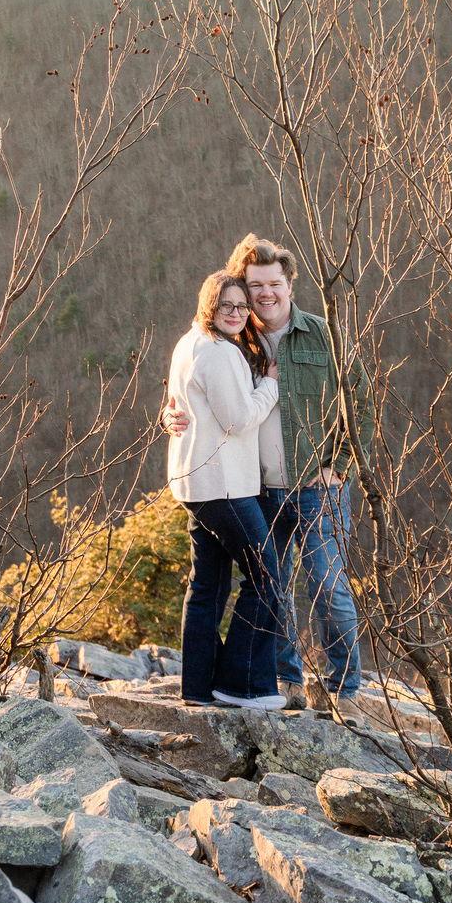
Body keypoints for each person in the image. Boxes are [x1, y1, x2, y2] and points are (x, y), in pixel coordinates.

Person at [163, 234, 364, 716]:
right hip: (256, 487)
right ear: (240, 289)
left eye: (274, 283)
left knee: (327, 587)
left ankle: (344, 691)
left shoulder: (322, 334)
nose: (265, 294)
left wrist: (342, 464)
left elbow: (360, 402)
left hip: (315, 486)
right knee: (274, 588)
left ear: (290, 284)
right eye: (255, 286)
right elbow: (197, 390)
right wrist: (167, 413)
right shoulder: (235, 336)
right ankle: (287, 681)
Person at [167, 270, 286, 708]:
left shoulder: (189, 342)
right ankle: (244, 684)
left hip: (196, 482)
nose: (236, 313)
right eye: (226, 306)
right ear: (209, 307)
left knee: (209, 586)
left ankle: (198, 689)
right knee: (266, 576)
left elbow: (189, 406)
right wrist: (270, 384)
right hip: (224, 486)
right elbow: (237, 419)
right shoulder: (218, 353)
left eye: (241, 306)